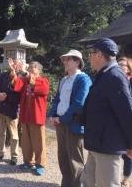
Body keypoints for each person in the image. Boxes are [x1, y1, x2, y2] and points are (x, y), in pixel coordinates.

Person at [80, 38, 132, 187]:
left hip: (108, 145)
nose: (89, 57)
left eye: (91, 53)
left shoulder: (115, 76)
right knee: (88, 182)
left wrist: (131, 143)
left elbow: (127, 112)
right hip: (97, 142)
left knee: (106, 184)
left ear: (100, 55)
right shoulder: (103, 74)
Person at [48, 50, 92, 187]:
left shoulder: (83, 79)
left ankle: (78, 185)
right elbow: (57, 99)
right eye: (64, 60)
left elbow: (79, 103)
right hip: (60, 122)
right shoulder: (64, 79)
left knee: (75, 159)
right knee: (63, 157)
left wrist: (63, 119)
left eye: (68, 59)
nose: (65, 62)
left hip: (73, 124)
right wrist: (52, 115)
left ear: (77, 62)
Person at [9, 58, 49, 176]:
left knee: (39, 142)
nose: (31, 69)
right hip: (25, 115)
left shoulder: (44, 81)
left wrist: (26, 73)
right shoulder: (25, 81)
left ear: (39, 71)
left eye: (34, 67)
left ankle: (40, 164)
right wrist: (13, 71)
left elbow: (41, 88)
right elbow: (16, 84)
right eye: (30, 67)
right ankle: (27, 161)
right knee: (26, 141)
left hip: (37, 116)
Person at [0, 59, 22, 165]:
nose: (13, 65)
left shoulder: (22, 78)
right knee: (0, 133)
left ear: (19, 65)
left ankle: (14, 155)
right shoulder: (3, 75)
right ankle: (0, 153)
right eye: (12, 63)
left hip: (12, 109)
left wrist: (7, 96)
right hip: (0, 108)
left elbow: (19, 93)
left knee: (13, 135)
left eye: (16, 64)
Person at [117, 56, 132, 187]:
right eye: (118, 63)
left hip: (129, 123)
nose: (118, 65)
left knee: (129, 153)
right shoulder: (113, 81)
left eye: (122, 64)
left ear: (129, 69)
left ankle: (126, 178)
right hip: (115, 123)